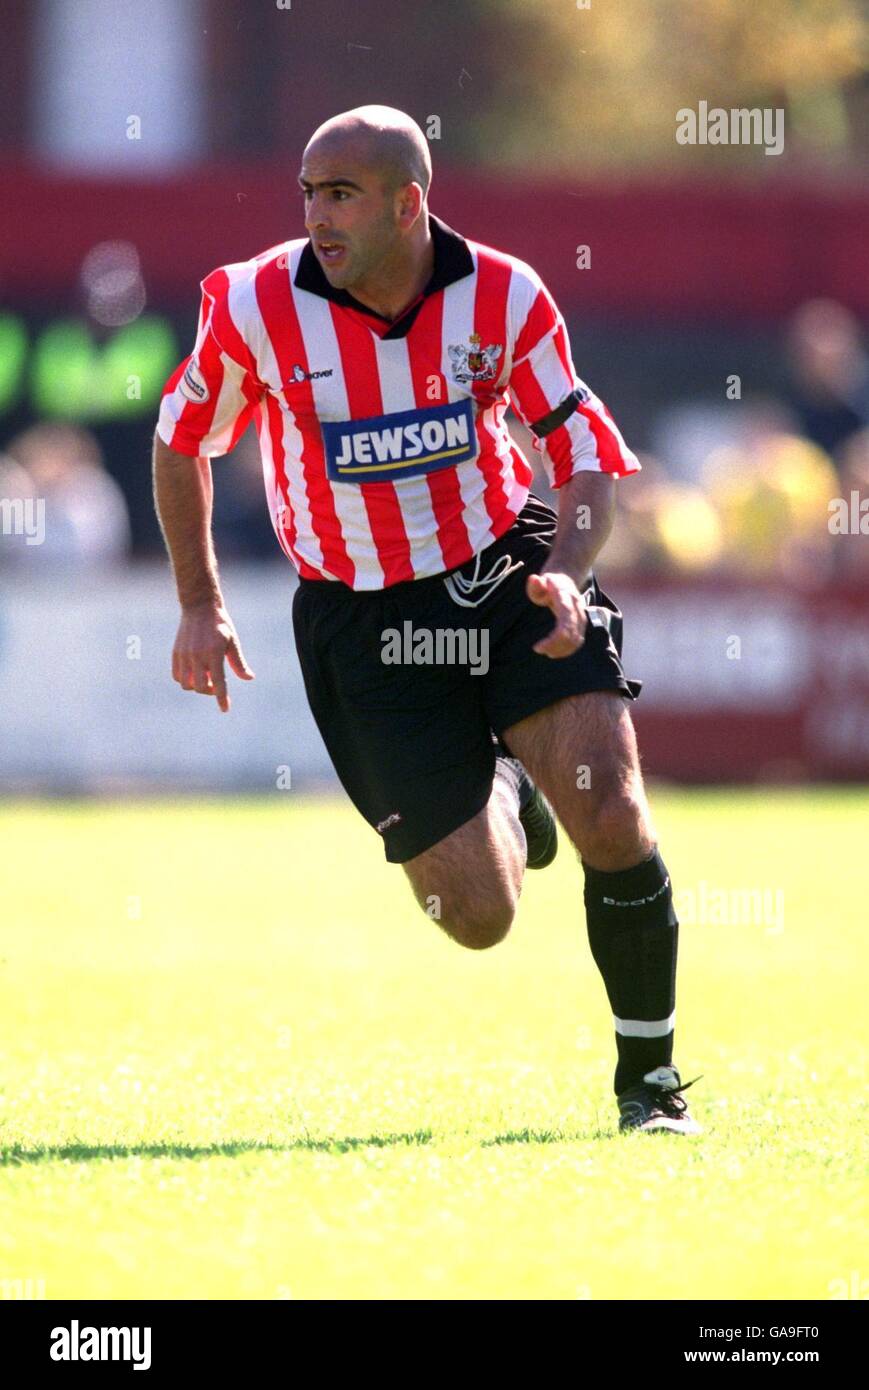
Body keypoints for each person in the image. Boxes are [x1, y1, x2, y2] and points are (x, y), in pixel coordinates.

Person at [153, 106, 700, 1135]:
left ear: (410, 203)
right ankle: (499, 780)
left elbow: (581, 446)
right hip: (359, 619)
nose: (316, 214)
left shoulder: (502, 293)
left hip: (504, 573)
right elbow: (180, 436)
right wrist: (198, 601)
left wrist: (567, 570)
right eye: (309, 192)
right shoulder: (253, 303)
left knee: (613, 813)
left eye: (342, 193)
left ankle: (649, 1083)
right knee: (477, 917)